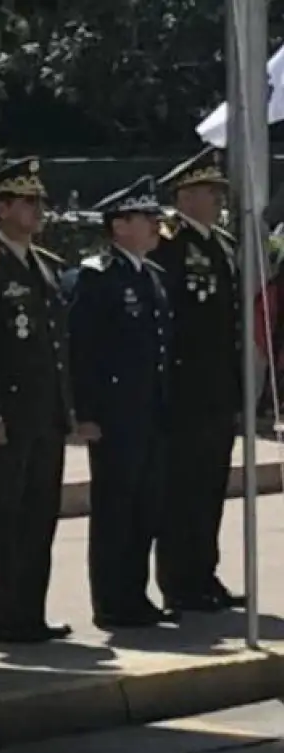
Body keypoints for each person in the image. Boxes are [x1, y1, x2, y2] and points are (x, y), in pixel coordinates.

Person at [0, 156, 74, 644]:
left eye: (39, 202)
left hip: (44, 414)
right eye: (26, 202)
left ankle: (31, 612)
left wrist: (69, 410)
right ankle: (5, 615)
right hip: (5, 415)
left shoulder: (45, 266)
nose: (36, 211)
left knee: (38, 516)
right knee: (4, 516)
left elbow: (58, 350)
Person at [72, 175, 177, 629]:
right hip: (114, 415)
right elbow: (82, 349)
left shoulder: (150, 275)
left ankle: (135, 593)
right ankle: (112, 600)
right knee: (116, 509)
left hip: (149, 411)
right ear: (119, 226)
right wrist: (87, 413)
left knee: (145, 508)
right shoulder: (99, 277)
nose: (156, 225)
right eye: (145, 218)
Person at [152, 148, 244, 613]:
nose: (216, 199)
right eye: (208, 192)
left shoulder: (222, 244)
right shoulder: (170, 245)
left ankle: (204, 573)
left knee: (210, 486)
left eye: (217, 192)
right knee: (182, 489)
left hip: (217, 387)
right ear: (185, 196)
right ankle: (179, 580)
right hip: (186, 389)